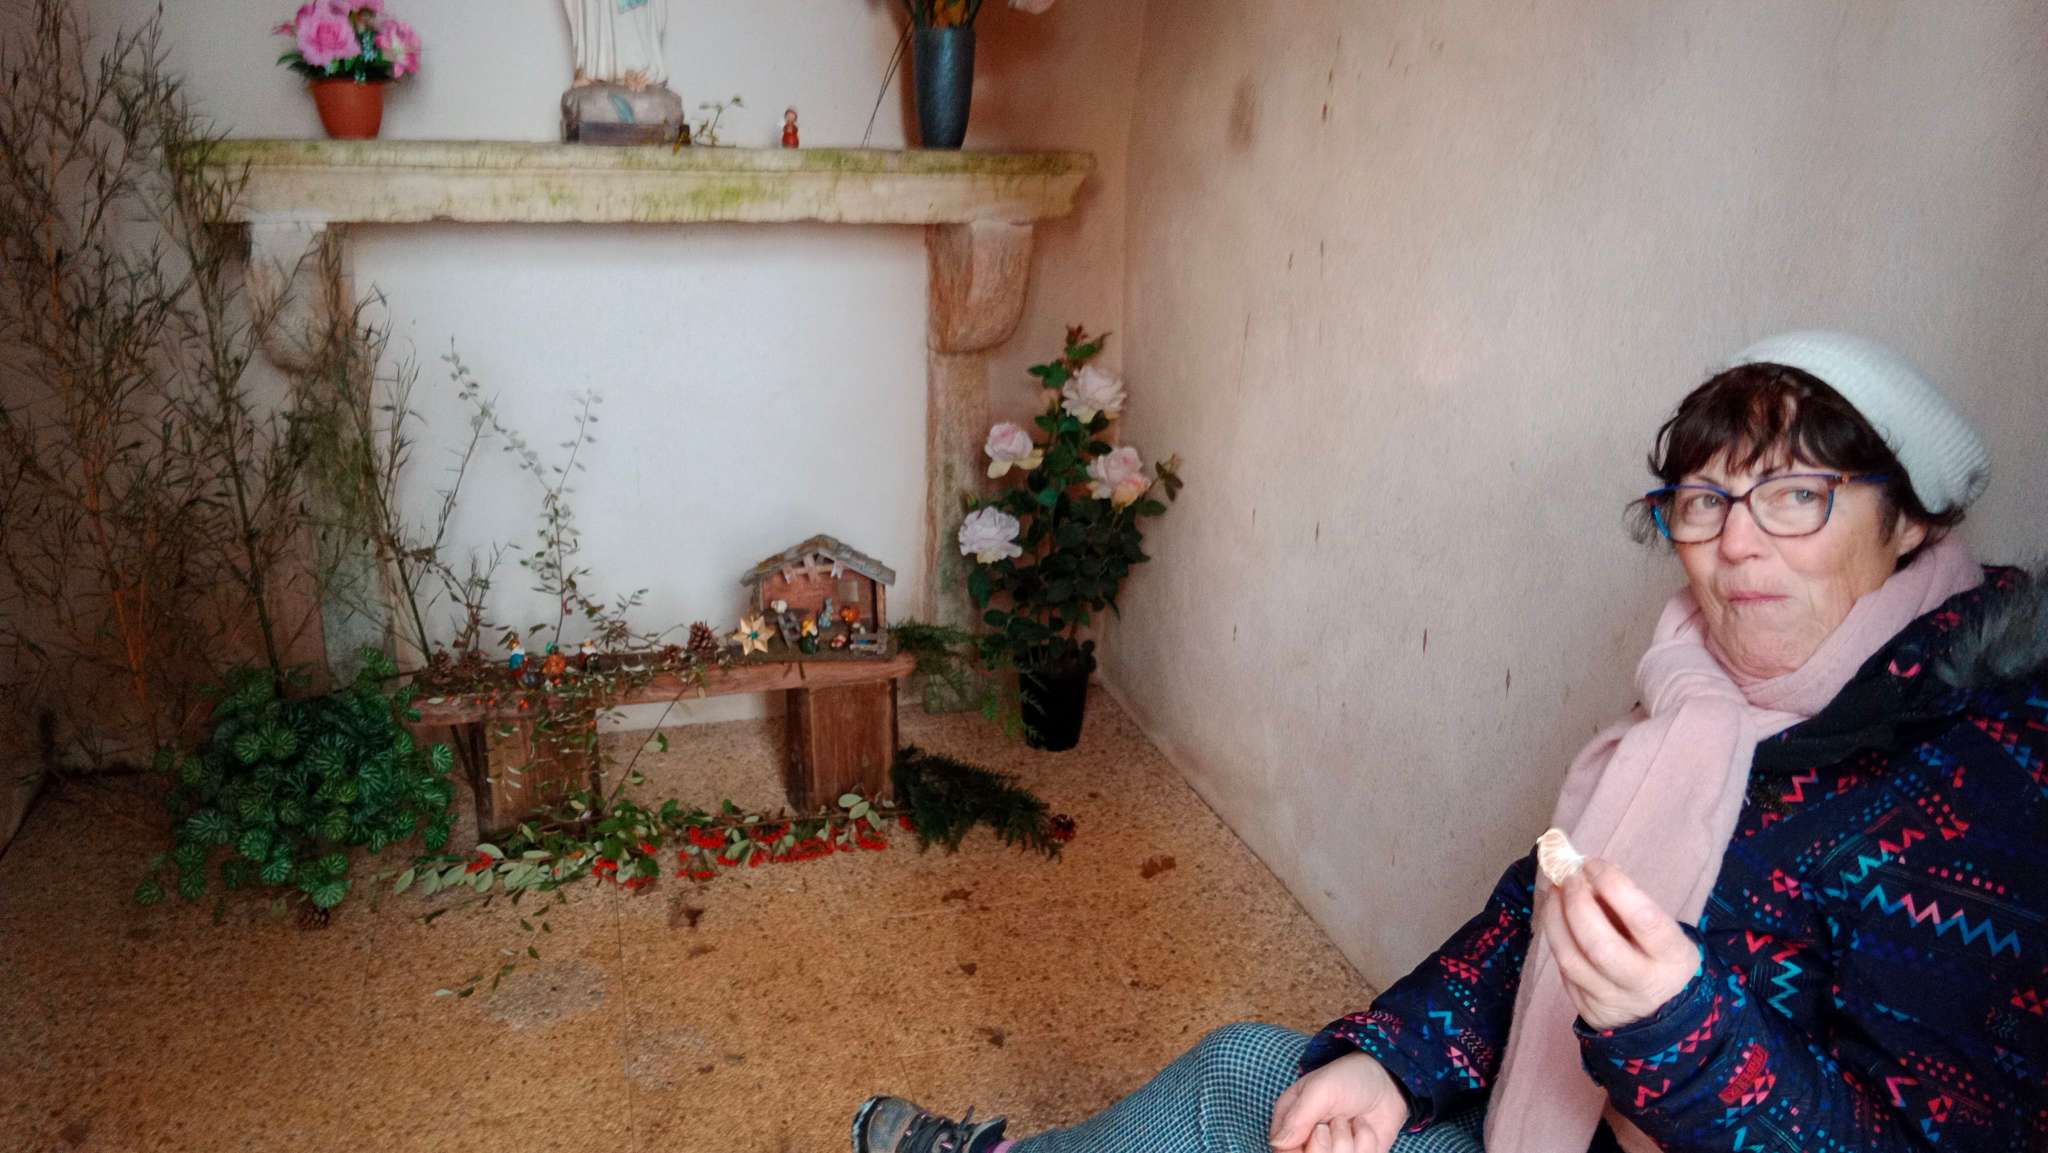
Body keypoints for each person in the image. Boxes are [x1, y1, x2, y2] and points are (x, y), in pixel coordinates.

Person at [851, 331, 2048, 1153]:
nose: (1736, 545)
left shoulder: (1982, 786)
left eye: (1794, 494)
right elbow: (1531, 924)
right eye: (1703, 501)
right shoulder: (1701, 705)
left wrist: (1680, 1031)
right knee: (1253, 1077)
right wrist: (1386, 1061)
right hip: (1550, 1124)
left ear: (1908, 519)